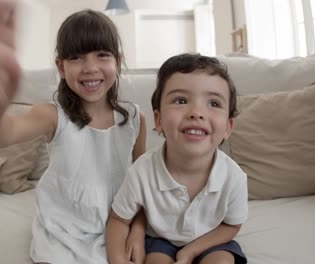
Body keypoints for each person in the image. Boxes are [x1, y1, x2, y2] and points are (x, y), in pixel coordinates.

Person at [0, 1, 147, 263]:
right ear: (61, 67)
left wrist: (137, 230)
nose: (90, 67)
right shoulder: (53, 115)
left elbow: (142, 186)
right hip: (62, 232)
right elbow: (3, 133)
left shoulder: (134, 119)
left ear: (118, 61)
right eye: (76, 57)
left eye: (102, 55)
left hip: (116, 228)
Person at [106, 53, 248, 264]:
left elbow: (232, 225)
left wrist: (190, 251)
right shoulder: (142, 171)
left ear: (227, 127)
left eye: (214, 103)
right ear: (159, 119)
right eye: (181, 100)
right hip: (160, 241)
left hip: (211, 241)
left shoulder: (233, 177)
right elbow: (118, 219)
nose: (196, 112)